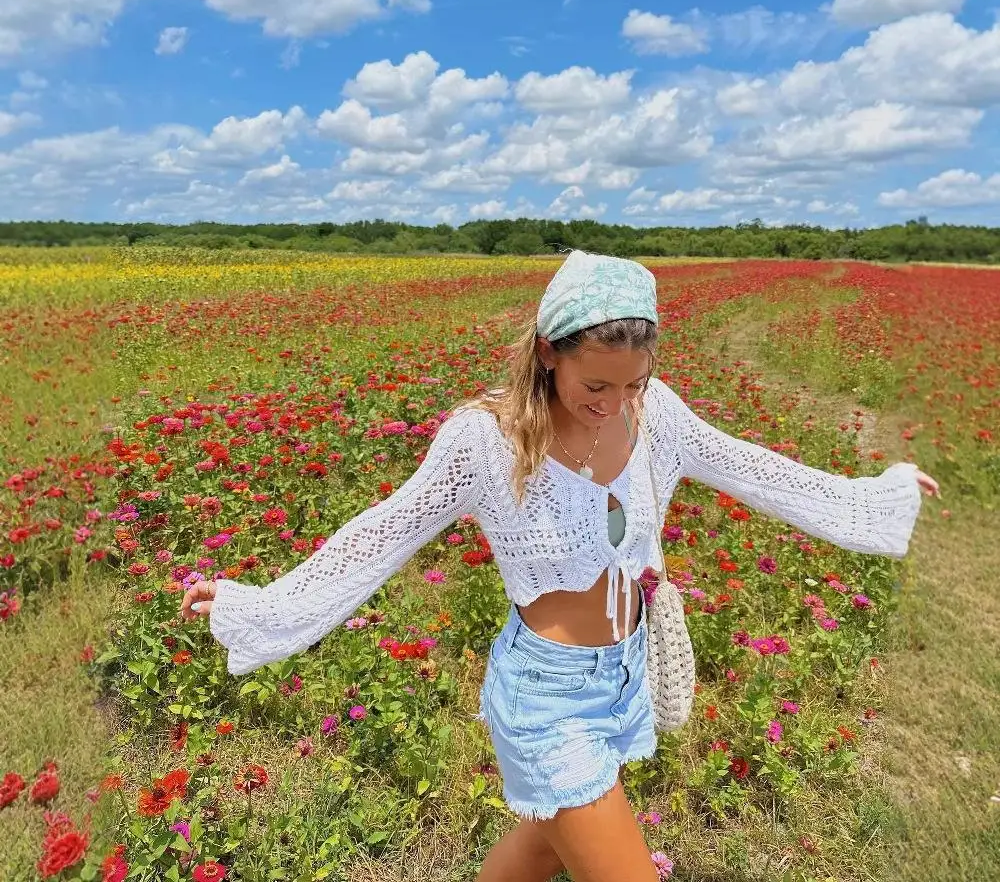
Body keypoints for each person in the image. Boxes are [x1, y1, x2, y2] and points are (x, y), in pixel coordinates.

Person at [181, 250, 940, 882]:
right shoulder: (487, 440)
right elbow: (384, 531)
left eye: (634, 382)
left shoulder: (655, 414)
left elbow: (756, 470)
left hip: (627, 676)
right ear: (548, 352)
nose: (616, 403)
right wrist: (260, 606)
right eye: (595, 385)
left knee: (544, 847)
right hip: (546, 695)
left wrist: (880, 495)